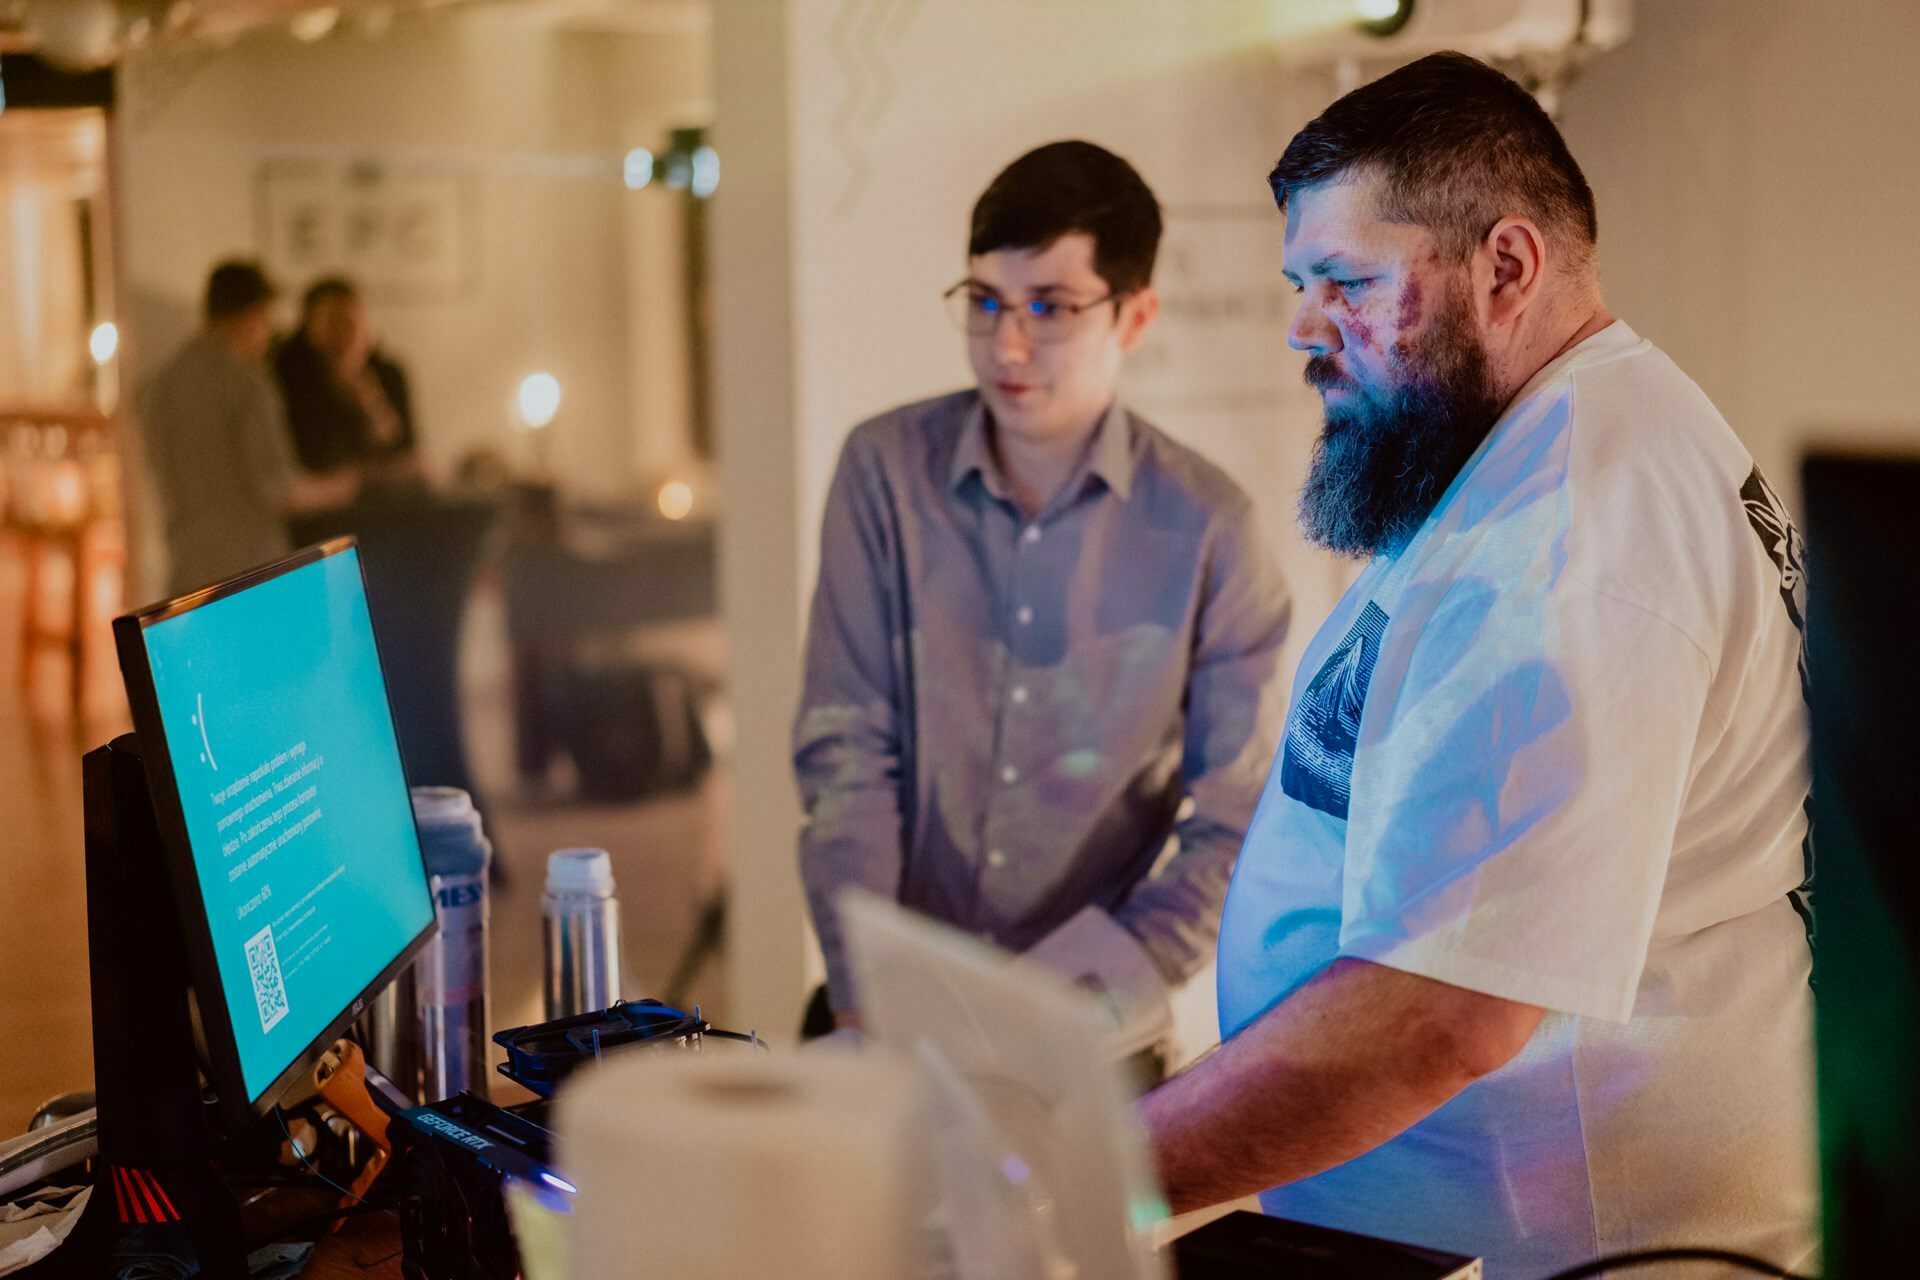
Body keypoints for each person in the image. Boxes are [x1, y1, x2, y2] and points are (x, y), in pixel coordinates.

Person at [1139, 53, 1815, 1277]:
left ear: (1506, 266)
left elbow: (1438, 1013)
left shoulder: (1571, 530)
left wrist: (1085, 1175)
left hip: (1571, 1244)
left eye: (1345, 280)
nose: (1304, 329)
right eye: (1302, 283)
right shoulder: (1550, 445)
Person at [794, 141, 1292, 1042]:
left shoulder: (1211, 527)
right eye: (984, 302)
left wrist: (1058, 1014)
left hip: (1090, 1039)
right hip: (885, 1008)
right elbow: (846, 753)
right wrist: (870, 1002)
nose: (1006, 343)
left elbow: (1237, 826)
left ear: (1134, 317)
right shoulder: (883, 473)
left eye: (1050, 307)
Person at [142, 261, 359, 596]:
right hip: (246, 572)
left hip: (184, 567)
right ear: (252, 315)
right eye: (266, 321)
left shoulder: (159, 384)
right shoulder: (248, 385)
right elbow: (280, 490)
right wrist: (345, 485)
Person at [273, 275, 420, 483]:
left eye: (351, 323)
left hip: (383, 498)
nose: (343, 334)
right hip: (320, 501)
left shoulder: (388, 374)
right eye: (333, 323)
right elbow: (309, 458)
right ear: (309, 328)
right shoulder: (288, 379)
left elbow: (405, 450)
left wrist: (370, 401)